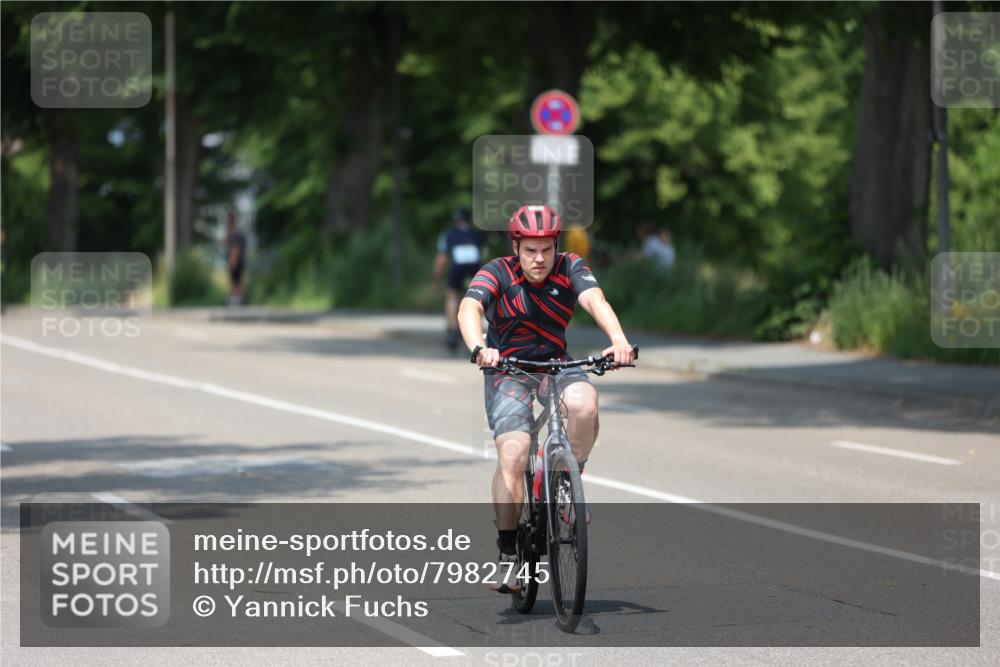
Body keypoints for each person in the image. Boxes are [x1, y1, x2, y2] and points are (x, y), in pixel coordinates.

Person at [457, 205, 635, 593]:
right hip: (508, 368)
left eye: (546, 250)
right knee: (514, 455)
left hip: (555, 364)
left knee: (584, 403)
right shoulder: (497, 271)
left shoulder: (570, 266)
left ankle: (568, 482)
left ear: (556, 246)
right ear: (516, 247)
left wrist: (618, 340)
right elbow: (469, 307)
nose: (539, 259)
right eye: (530, 251)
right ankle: (508, 555)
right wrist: (478, 346)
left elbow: (595, 301)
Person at [433, 207, 484, 353]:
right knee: (475, 298)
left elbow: (442, 257)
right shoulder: (476, 234)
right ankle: (475, 329)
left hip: (457, 267)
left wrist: (437, 277)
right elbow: (481, 254)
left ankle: (453, 329)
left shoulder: (449, 234)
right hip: (474, 267)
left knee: (452, 295)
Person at [225, 210, 247, 306]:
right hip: (241, 261)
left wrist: (232, 263)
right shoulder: (238, 233)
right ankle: (240, 301)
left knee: (235, 283)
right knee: (239, 281)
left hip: (235, 262)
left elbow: (235, 250)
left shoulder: (235, 235)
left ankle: (235, 302)